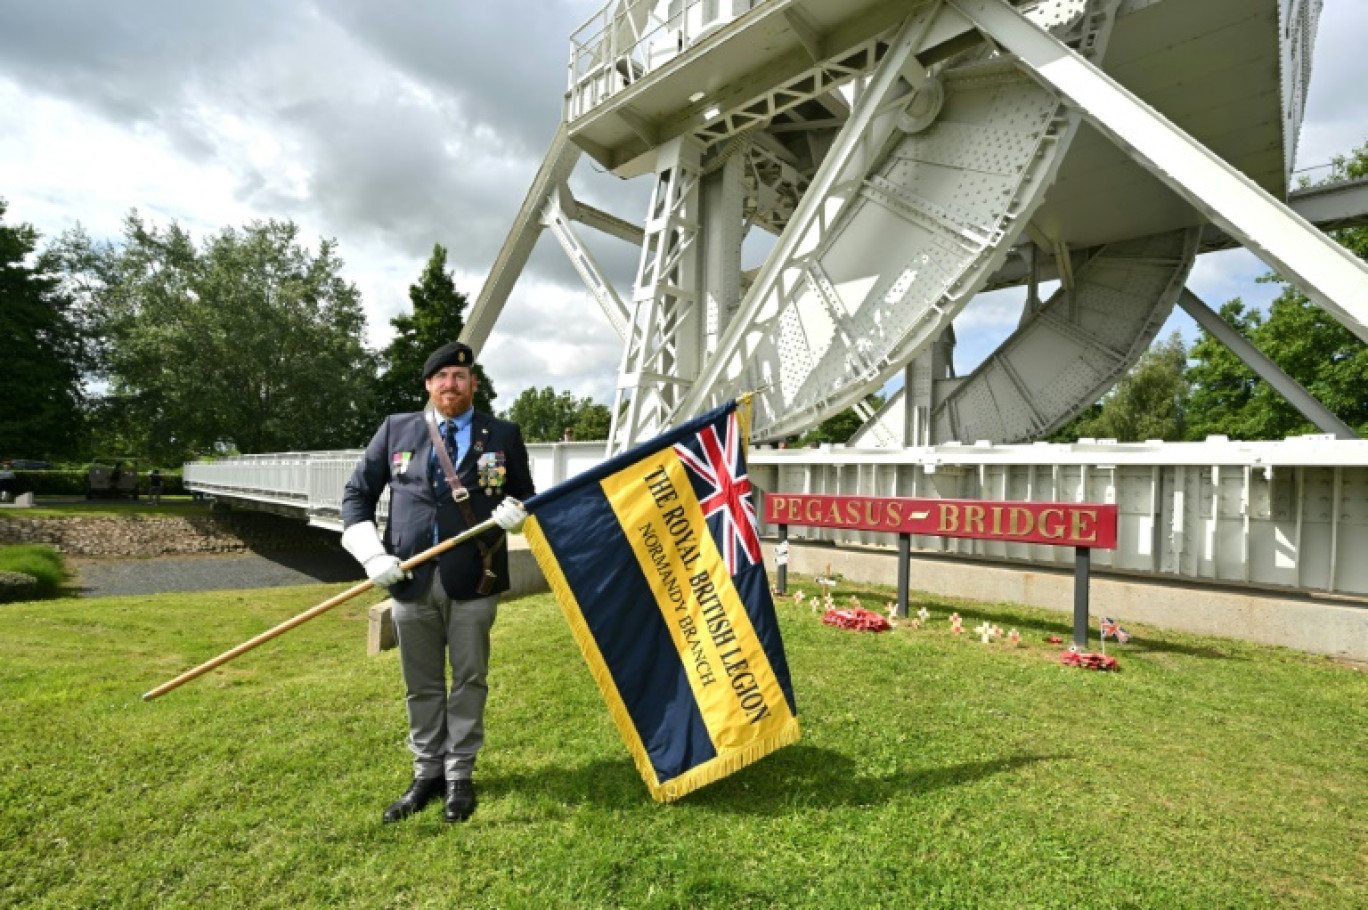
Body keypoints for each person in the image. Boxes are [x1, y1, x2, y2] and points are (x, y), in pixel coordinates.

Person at [341, 341, 534, 824]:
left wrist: (520, 515)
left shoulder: (503, 433)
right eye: (442, 376)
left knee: (469, 679)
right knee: (421, 683)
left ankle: (459, 775)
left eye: (461, 376)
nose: (451, 383)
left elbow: (526, 495)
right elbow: (356, 495)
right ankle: (426, 772)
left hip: (475, 578)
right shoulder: (397, 429)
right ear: (428, 385)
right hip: (408, 578)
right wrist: (371, 556)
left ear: (474, 384)